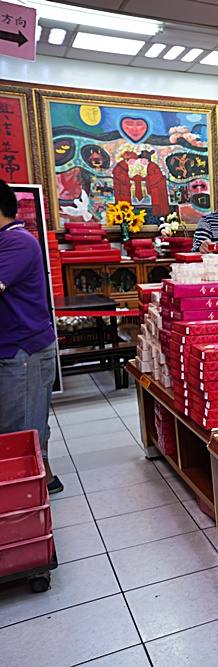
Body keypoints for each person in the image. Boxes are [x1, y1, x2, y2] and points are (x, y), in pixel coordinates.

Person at [0, 180, 61, 493]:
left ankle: (28, 493)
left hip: (24, 351)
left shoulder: (17, 242)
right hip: (13, 348)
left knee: (21, 425)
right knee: (24, 422)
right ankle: (39, 480)